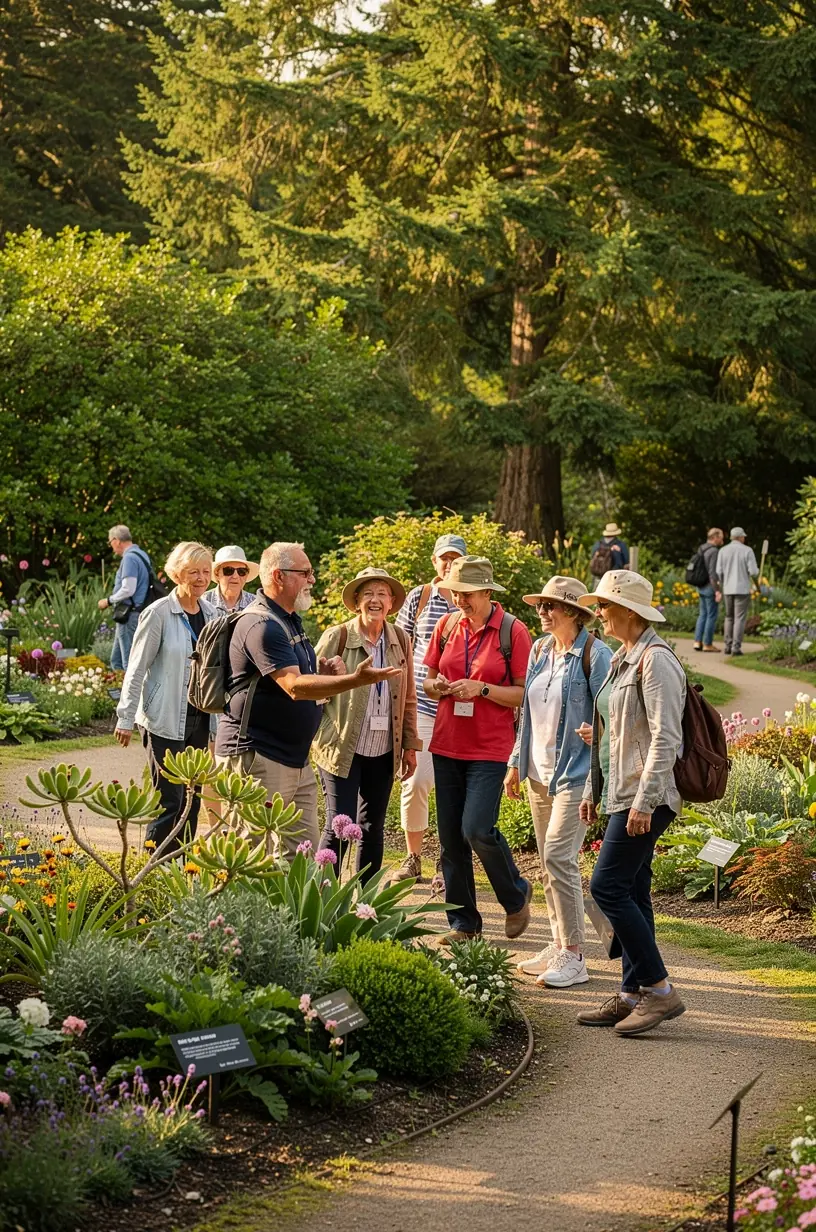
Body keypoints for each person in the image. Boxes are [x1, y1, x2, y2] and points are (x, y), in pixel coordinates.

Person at [215, 542, 399, 858]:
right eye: (305, 573)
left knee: (301, 861)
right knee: (251, 860)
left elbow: (303, 686)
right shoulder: (261, 625)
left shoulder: (289, 621)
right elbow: (294, 687)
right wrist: (354, 680)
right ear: (278, 576)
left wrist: (325, 675)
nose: (312, 579)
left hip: (295, 761)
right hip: (257, 759)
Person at [576, 569, 687, 1036]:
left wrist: (643, 801)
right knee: (634, 894)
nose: (597, 614)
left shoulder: (656, 660)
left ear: (628, 611)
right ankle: (629, 995)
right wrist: (591, 790)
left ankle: (659, 991)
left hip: (647, 796)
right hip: (622, 792)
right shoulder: (625, 657)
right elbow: (608, 734)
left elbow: (666, 738)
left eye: (602, 606)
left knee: (606, 888)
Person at [505, 577, 613, 988]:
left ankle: (575, 955)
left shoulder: (595, 654)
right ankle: (557, 942)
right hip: (538, 772)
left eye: (551, 606)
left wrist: (598, 733)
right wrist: (517, 762)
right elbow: (528, 715)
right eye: (540, 606)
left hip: (577, 773)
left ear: (573, 611)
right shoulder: (540, 649)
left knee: (558, 858)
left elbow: (614, 712)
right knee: (549, 864)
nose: (543, 613)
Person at [423, 555, 533, 944]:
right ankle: (463, 924)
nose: (460, 600)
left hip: (489, 748)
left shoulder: (513, 632)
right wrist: (436, 686)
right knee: (451, 838)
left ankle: (516, 893)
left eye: (467, 594)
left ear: (488, 591)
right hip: (447, 742)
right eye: (455, 593)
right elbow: (429, 677)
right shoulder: (446, 625)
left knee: (476, 829)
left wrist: (482, 689)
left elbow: (523, 695)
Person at [313, 568, 421, 881]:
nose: (375, 600)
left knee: (372, 827)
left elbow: (409, 697)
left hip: (384, 747)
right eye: (368, 594)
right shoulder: (339, 636)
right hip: (341, 746)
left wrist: (410, 747)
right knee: (340, 822)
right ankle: (320, 900)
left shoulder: (401, 639)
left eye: (382, 594)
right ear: (357, 601)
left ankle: (367, 901)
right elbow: (310, 685)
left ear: (391, 603)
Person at [114, 541, 217, 850]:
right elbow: (136, 668)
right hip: (164, 719)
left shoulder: (212, 614)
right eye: (192, 572)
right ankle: (155, 870)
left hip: (199, 719)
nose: (200, 578)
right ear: (176, 574)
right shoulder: (157, 613)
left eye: (205, 572)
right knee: (168, 799)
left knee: (192, 800)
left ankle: (182, 871)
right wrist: (125, 717)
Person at [392, 533, 467, 882]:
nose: (449, 563)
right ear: (434, 561)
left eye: (456, 558)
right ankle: (413, 857)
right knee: (417, 780)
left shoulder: (472, 598)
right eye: (444, 558)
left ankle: (447, 859)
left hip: (461, 709)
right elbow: (400, 644)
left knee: (454, 786)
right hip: (421, 702)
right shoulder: (419, 597)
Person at [98, 525, 152, 671]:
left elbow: (128, 588)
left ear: (116, 540)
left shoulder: (130, 558)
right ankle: (116, 689)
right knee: (116, 660)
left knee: (128, 662)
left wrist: (108, 601)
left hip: (129, 614)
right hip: (134, 613)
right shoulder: (142, 555)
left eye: (110, 542)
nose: (111, 547)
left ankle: (128, 693)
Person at [717, 527, 759, 657]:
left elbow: (719, 572)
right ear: (740, 537)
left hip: (728, 589)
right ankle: (736, 647)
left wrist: (724, 584)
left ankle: (727, 645)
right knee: (739, 618)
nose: (744, 538)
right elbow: (754, 572)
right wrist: (756, 583)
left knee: (729, 617)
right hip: (742, 589)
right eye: (743, 537)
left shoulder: (723, 551)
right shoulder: (747, 551)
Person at [692, 528, 724, 653]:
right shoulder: (714, 551)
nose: (722, 539)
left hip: (700, 586)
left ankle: (697, 641)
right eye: (721, 537)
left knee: (703, 614)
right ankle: (708, 644)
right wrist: (717, 590)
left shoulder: (702, 548)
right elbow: (712, 573)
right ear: (715, 537)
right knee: (711, 615)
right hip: (710, 587)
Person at [205, 545, 259, 613]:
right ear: (217, 573)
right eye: (228, 571)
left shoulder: (256, 605)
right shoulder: (202, 603)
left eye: (241, 571)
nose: (235, 576)